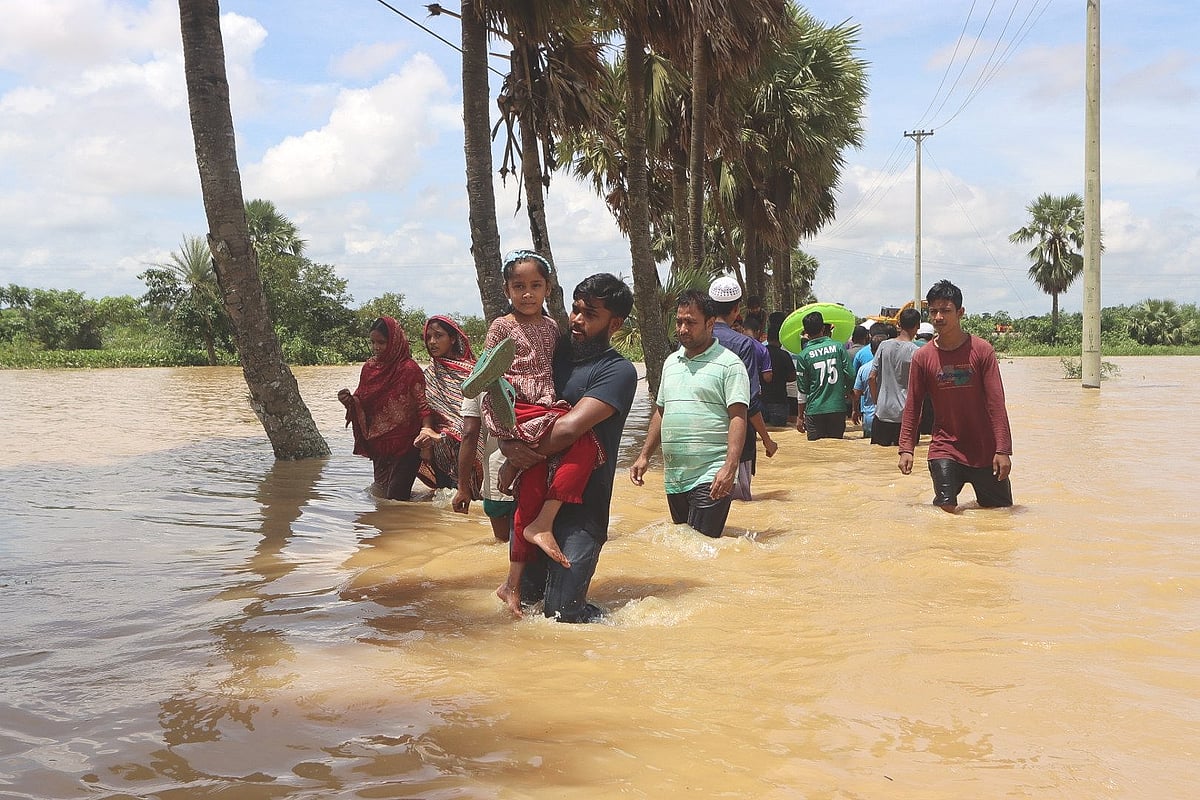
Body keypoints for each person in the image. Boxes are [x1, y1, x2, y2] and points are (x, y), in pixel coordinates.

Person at [465, 250, 603, 616]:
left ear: (548, 288)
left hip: (546, 406)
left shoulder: (553, 328)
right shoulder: (501, 326)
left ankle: (511, 582)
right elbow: (487, 379)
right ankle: (519, 566)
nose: (527, 294)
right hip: (518, 408)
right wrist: (505, 436)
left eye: (535, 285)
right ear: (507, 290)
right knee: (579, 446)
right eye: (519, 286)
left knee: (537, 484)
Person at [500, 273, 638, 623]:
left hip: (583, 510)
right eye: (575, 309)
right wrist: (505, 443)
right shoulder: (551, 354)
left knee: (562, 614)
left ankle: (616, 635)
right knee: (525, 606)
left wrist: (515, 461)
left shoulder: (618, 372)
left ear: (615, 324)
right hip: (532, 497)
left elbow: (568, 429)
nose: (576, 320)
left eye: (590, 314)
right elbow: (509, 400)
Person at [630, 290, 749, 537]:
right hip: (675, 476)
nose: (682, 329)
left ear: (710, 323)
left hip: (712, 473)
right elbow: (662, 411)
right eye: (679, 322)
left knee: (700, 544)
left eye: (690, 322)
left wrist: (730, 467)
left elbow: (738, 417)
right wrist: (644, 456)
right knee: (685, 545)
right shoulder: (671, 363)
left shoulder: (730, 364)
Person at [898, 280, 1014, 512]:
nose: (938, 317)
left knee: (1000, 513)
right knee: (946, 509)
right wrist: (906, 448)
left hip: (984, 450)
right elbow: (913, 405)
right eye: (933, 311)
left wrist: (1003, 449)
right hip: (945, 447)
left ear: (960, 312)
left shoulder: (982, 351)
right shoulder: (922, 357)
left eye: (945, 310)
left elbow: (996, 403)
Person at [338, 317, 428, 500]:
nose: (376, 347)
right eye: (372, 342)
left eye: (381, 342)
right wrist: (349, 401)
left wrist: (426, 434)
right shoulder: (369, 368)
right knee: (381, 495)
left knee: (396, 497)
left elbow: (423, 405)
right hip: (380, 445)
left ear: (394, 341)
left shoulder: (409, 369)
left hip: (407, 445)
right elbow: (363, 401)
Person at [707, 276, 777, 501]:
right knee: (738, 503)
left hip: (701, 436)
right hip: (738, 440)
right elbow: (749, 401)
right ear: (737, 309)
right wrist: (767, 439)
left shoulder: (694, 340)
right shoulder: (744, 344)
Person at [414, 315, 485, 494]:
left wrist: (447, 434)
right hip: (440, 453)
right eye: (428, 337)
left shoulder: (472, 372)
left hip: (470, 446)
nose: (432, 342)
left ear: (453, 339)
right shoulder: (428, 375)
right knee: (444, 503)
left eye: (438, 336)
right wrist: (427, 438)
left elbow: (481, 416)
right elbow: (424, 412)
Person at [452, 389, 514, 545]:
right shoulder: (541, 374)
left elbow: (469, 434)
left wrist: (463, 488)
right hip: (535, 471)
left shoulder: (477, 382)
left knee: (502, 544)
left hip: (498, 479)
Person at [794, 310, 854, 440]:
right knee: (836, 448)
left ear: (806, 332)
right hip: (837, 408)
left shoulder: (803, 355)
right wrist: (846, 391)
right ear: (822, 328)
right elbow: (850, 374)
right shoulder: (838, 347)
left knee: (815, 451)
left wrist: (800, 416)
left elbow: (802, 390)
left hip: (814, 410)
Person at [868, 307, 921, 447]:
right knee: (905, 455)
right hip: (906, 416)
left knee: (879, 457)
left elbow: (871, 377)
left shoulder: (883, 346)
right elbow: (920, 386)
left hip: (882, 413)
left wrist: (877, 401)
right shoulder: (916, 352)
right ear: (918, 326)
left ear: (899, 324)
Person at [762, 311, 797, 427]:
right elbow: (792, 377)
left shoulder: (760, 351)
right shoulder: (784, 354)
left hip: (762, 400)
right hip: (780, 401)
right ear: (781, 338)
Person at [852, 333, 883, 438]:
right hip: (890, 417)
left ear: (871, 351)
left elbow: (856, 394)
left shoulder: (864, 369)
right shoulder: (894, 368)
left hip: (869, 417)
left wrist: (855, 410)